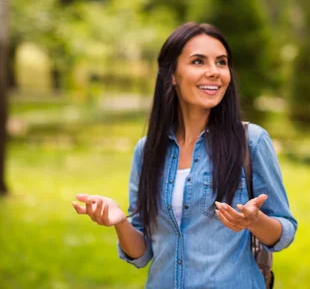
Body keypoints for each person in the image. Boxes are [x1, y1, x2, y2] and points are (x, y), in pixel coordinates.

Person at [72, 22, 297, 288]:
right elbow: (141, 253)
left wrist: (255, 221)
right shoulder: (147, 151)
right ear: (172, 75)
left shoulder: (251, 141)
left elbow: (285, 231)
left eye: (221, 62)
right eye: (198, 62)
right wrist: (120, 221)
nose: (214, 72)